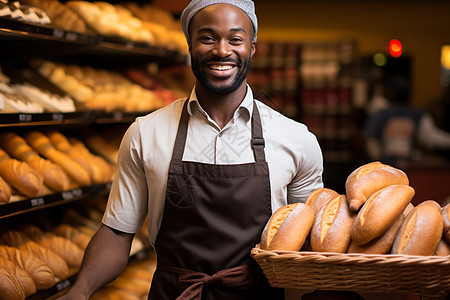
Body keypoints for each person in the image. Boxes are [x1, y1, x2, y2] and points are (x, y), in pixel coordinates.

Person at [58, 0, 323, 299]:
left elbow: (310, 242)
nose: (222, 50)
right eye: (207, 38)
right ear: (189, 46)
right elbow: (118, 233)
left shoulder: (295, 139)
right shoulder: (145, 133)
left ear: (252, 48)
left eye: (236, 39)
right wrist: (79, 291)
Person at [363, 75, 450, 166]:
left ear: (390, 93)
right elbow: (432, 138)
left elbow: (368, 139)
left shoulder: (382, 113)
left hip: (388, 166)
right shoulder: (416, 114)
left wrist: (377, 158)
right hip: (407, 166)